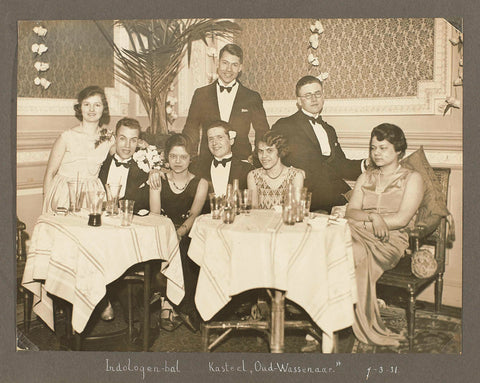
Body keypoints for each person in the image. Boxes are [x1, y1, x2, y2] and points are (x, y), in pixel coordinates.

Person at [345, 123, 423, 347]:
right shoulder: (366, 177)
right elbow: (351, 210)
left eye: (383, 148)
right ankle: (336, 315)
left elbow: (402, 219)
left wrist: (375, 221)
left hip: (390, 241)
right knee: (337, 246)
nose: (376, 153)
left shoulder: (412, 178)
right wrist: (373, 218)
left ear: (398, 150)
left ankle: (356, 318)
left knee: (348, 251)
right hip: (361, 231)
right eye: (373, 148)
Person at [272, 75, 368, 213]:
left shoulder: (329, 130)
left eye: (317, 93)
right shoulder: (285, 125)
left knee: (368, 206)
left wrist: (366, 164)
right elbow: (267, 155)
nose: (314, 99)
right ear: (299, 101)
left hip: (336, 192)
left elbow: (341, 165)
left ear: (323, 96)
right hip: (307, 198)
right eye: (308, 95)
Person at [150, 134, 208, 333]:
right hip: (161, 229)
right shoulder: (158, 179)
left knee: (186, 248)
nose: (177, 161)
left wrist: (180, 232)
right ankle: (177, 305)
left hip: (187, 230)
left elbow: (194, 215)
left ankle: (177, 303)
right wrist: (168, 234)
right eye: (173, 156)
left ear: (191, 158)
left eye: (183, 157)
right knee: (168, 247)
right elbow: (155, 214)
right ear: (167, 157)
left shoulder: (200, 183)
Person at [183, 43, 269, 163]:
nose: (228, 69)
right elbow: (190, 129)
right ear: (218, 64)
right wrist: (190, 159)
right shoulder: (201, 94)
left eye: (234, 65)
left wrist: (255, 157)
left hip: (241, 163)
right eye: (225, 63)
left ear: (240, 68)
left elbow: (263, 131)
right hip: (207, 163)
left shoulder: (252, 97)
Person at [43, 86, 114, 213]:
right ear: (80, 108)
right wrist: (47, 203)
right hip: (64, 193)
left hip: (93, 195)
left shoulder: (109, 138)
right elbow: (50, 172)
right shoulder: (66, 137)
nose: (91, 109)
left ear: (104, 108)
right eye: (87, 104)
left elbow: (128, 150)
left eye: (97, 105)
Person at [98, 117, 149, 214]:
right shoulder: (101, 164)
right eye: (122, 139)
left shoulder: (143, 169)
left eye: (133, 140)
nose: (127, 145)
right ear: (115, 138)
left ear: (138, 142)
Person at [193, 120, 254, 197]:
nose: (214, 143)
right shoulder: (197, 168)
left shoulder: (247, 170)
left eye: (220, 137)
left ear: (231, 141)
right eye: (211, 139)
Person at [247, 131, 305, 209]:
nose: (264, 156)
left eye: (269, 151)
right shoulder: (253, 176)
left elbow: (295, 210)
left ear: (280, 151)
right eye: (261, 151)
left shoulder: (295, 176)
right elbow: (253, 211)